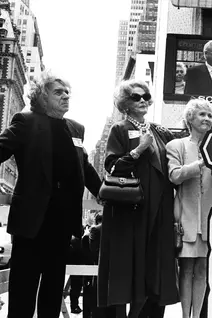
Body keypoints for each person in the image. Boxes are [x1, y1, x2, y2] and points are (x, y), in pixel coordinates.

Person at [0, 71, 102, 318]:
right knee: (23, 288)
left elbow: (84, 167)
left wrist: (103, 193)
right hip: (31, 220)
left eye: (68, 92)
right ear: (42, 97)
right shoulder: (26, 121)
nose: (66, 96)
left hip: (62, 222)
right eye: (59, 92)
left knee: (53, 288)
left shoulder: (76, 129)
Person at [97, 79, 179, 318]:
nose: (142, 100)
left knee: (157, 265)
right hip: (131, 210)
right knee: (130, 266)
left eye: (145, 96)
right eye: (135, 97)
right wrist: (138, 150)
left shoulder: (160, 130)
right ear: (125, 103)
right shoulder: (120, 129)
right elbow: (112, 168)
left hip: (161, 208)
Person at [166, 99, 212, 318]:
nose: (207, 119)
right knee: (185, 270)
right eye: (202, 114)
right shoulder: (176, 145)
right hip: (185, 217)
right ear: (190, 118)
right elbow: (174, 176)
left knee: (204, 269)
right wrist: (200, 164)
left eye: (209, 115)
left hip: (210, 218)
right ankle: (185, 315)